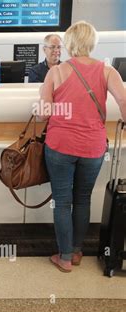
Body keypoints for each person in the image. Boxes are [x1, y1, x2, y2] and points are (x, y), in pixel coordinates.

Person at [38, 21, 126, 272]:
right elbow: (123, 100)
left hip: (60, 146)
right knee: (83, 199)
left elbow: (44, 114)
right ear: (92, 42)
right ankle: (76, 251)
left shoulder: (56, 72)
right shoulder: (108, 71)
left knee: (63, 201)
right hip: (93, 147)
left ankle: (64, 257)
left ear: (68, 43)